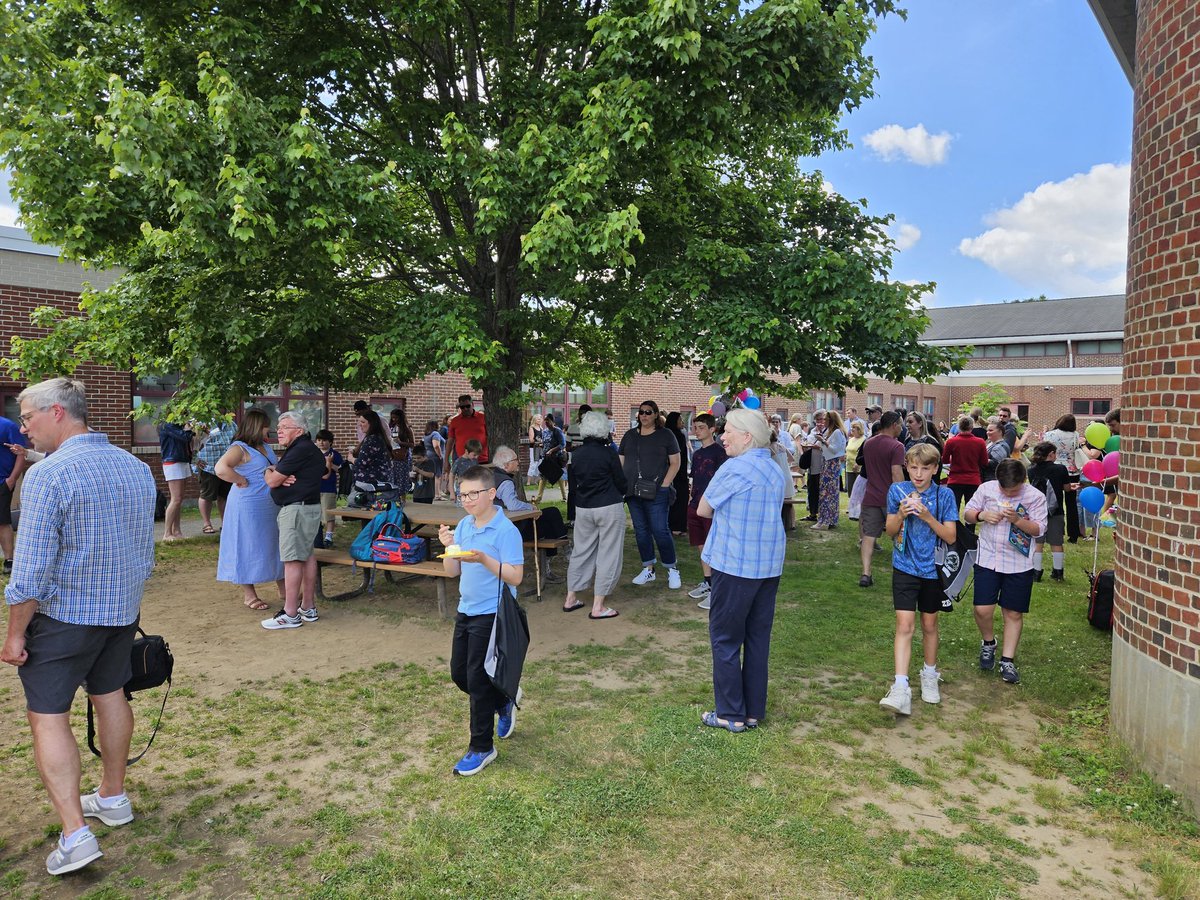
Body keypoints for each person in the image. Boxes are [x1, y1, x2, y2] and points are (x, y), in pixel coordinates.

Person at [2, 377, 156, 876]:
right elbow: (145, 547)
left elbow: (28, 573)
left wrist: (14, 633)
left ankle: (75, 832)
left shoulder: (48, 476)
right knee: (110, 695)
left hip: (64, 618)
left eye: (27, 417)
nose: (24, 428)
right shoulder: (135, 466)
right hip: (121, 612)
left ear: (57, 413)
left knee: (48, 715)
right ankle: (112, 796)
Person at [696, 408, 787, 732]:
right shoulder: (775, 467)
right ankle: (751, 712)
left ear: (747, 436)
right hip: (768, 567)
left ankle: (730, 714)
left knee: (725, 639)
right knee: (757, 639)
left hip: (735, 565)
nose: (722, 436)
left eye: (729, 431)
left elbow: (703, 509)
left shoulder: (734, 468)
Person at [438, 466, 524, 775]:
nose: (467, 500)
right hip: (466, 609)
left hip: (493, 613)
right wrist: (449, 547)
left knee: (476, 679)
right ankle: (501, 699)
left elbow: (516, 576)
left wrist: (484, 559)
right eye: (462, 494)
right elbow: (452, 572)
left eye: (473, 494)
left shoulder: (506, 531)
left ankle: (482, 747)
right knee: (459, 674)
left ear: (491, 494)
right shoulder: (463, 525)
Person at [878, 444, 959, 716]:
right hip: (904, 566)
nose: (919, 474)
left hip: (932, 570)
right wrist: (901, 514)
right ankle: (901, 686)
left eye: (925, 468)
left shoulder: (944, 494)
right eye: (913, 467)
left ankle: (929, 673)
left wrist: (926, 516)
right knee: (904, 624)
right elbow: (889, 531)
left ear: (936, 469)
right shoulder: (896, 491)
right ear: (906, 467)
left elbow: (950, 536)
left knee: (929, 624)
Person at [963, 459, 1048, 685]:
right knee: (982, 609)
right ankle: (988, 643)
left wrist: (1018, 520)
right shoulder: (986, 489)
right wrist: (982, 515)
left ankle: (1007, 660)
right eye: (1005, 490)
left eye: (1014, 490)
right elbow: (967, 513)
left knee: (1013, 613)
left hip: (1019, 563)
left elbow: (1039, 529)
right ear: (997, 481)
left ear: (1023, 481)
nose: (1009, 495)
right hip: (988, 558)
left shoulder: (1035, 497)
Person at [261, 412, 328, 630]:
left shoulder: (300, 449)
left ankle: (290, 613)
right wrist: (273, 470)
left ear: (299, 430)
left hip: (297, 511)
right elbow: (275, 476)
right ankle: (307, 607)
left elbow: (272, 481)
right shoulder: (307, 449)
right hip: (307, 508)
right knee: (307, 556)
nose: (278, 431)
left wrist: (270, 472)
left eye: (284, 427)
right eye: (278, 427)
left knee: (292, 560)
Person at [215, 409, 286, 611]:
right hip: (247, 505)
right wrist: (241, 479)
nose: (269, 429)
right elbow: (221, 468)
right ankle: (249, 594)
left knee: (275, 544)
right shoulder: (240, 448)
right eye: (266, 426)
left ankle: (283, 587)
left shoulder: (264, 446)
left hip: (269, 505)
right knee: (246, 544)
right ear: (256, 426)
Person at [563, 411, 628, 618]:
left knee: (581, 551)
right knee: (609, 553)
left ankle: (571, 597)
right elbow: (620, 480)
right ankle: (598, 606)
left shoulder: (577, 453)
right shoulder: (609, 453)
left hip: (583, 507)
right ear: (604, 428)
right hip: (608, 505)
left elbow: (573, 483)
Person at [619, 399, 682, 589]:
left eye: (648, 412)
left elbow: (675, 463)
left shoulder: (666, 435)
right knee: (641, 531)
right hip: (632, 492)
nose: (644, 415)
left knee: (660, 530)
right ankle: (648, 568)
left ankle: (672, 569)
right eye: (641, 412)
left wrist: (664, 485)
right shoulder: (630, 435)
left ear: (656, 415)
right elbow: (620, 461)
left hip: (657, 492)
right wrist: (622, 484)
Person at [490, 444, 569, 550]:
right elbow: (512, 505)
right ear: (506, 465)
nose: (519, 462)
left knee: (548, 518)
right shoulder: (505, 482)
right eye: (515, 460)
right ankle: (565, 548)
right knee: (552, 514)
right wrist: (531, 507)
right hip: (513, 530)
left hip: (499, 526)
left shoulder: (492, 477)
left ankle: (551, 557)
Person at [858, 411, 905, 588]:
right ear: (894, 425)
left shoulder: (869, 443)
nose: (901, 428)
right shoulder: (897, 446)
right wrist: (902, 498)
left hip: (870, 496)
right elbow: (896, 473)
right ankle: (901, 573)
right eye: (900, 424)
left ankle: (865, 573)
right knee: (899, 537)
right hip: (890, 499)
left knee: (868, 536)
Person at [686, 413, 728, 608]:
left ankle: (718, 589)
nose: (697, 431)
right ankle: (708, 582)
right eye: (695, 427)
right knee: (701, 545)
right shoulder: (697, 454)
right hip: (695, 504)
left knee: (715, 547)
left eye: (701, 427)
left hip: (712, 507)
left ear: (712, 429)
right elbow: (694, 479)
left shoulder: (720, 453)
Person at [1027, 441, 1068, 581]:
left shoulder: (1031, 469)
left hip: (1036, 510)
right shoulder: (1060, 469)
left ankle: (1036, 572)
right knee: (1056, 542)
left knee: (1038, 542)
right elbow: (1066, 488)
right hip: (1055, 510)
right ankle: (1058, 572)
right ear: (1051, 454)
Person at [1043, 414, 1083, 542]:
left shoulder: (1050, 434)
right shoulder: (1075, 435)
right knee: (1072, 504)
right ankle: (1074, 533)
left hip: (1054, 469)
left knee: (1054, 501)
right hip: (1072, 470)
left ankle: (1055, 531)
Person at [192, 419, 235, 534]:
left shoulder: (231, 423)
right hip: (208, 465)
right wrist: (194, 460)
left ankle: (225, 523)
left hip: (227, 466)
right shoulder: (201, 422)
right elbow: (193, 443)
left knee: (225, 496)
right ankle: (207, 524)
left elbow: (236, 441)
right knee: (207, 495)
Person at [942, 414, 988, 513]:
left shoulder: (951, 442)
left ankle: (955, 528)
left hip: (955, 479)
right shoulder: (980, 442)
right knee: (972, 510)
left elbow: (944, 460)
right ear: (972, 427)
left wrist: (953, 460)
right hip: (973, 479)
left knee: (953, 510)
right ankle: (969, 529)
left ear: (958, 427)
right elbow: (984, 462)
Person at [157, 419, 193, 541]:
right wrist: (188, 428)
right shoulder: (167, 425)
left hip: (182, 460)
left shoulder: (178, 425)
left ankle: (177, 531)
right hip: (173, 461)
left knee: (179, 499)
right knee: (176, 498)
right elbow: (185, 437)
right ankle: (167, 533)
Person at [0, 412, 27, 574]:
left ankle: (9, 560)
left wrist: (12, 479)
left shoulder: (7, 425)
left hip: (2, 482)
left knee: (2, 521)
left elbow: (21, 453)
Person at [812, 409, 847, 529]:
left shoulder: (837, 432)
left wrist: (823, 441)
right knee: (827, 492)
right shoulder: (831, 431)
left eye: (826, 419)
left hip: (832, 464)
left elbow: (835, 449)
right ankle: (826, 519)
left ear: (831, 420)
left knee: (828, 493)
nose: (824, 421)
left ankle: (826, 520)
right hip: (828, 463)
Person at [349, 409, 393, 487]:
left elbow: (362, 463)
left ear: (372, 423)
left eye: (363, 422)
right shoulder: (378, 437)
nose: (360, 425)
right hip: (378, 482)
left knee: (352, 499)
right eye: (359, 422)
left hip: (371, 485)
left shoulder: (372, 439)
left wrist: (351, 458)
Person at [315, 429, 344, 547]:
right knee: (316, 513)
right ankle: (317, 536)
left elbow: (340, 470)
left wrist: (330, 463)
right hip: (315, 488)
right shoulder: (314, 453)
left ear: (330, 442)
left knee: (329, 513)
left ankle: (328, 536)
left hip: (329, 488)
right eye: (319, 440)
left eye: (324, 440)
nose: (321, 443)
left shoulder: (335, 454)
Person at [665, 412, 691, 535]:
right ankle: (677, 526)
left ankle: (670, 524)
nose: (682, 422)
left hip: (668, 472)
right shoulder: (678, 436)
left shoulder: (666, 435)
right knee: (680, 498)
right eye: (680, 419)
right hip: (679, 474)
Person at [799, 410, 827, 520]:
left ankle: (823, 514)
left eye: (822, 419)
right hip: (812, 465)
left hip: (824, 466)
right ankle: (812, 513)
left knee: (822, 491)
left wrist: (819, 446)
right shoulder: (812, 431)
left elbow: (831, 448)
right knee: (812, 490)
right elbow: (808, 444)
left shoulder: (829, 432)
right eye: (818, 420)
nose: (820, 422)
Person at [448, 394, 488, 463]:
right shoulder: (455, 421)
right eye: (462, 407)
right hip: (462, 460)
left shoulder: (483, 418)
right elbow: (450, 441)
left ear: (472, 404)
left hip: (482, 459)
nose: (465, 409)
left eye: (467, 406)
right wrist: (446, 461)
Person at [388, 407, 416, 498]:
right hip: (393, 454)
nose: (394, 420)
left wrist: (401, 442)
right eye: (393, 418)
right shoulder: (391, 427)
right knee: (393, 477)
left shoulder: (407, 428)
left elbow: (412, 444)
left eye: (396, 418)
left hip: (403, 455)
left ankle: (402, 497)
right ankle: (394, 497)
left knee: (402, 477)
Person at [422, 420, 447, 500]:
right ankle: (437, 495)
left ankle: (435, 493)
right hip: (435, 456)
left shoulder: (426, 435)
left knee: (433, 476)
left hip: (428, 455)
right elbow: (436, 446)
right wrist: (440, 455)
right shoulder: (435, 434)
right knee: (438, 476)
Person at [453, 439, 483, 504]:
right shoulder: (458, 462)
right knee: (461, 509)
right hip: (461, 491)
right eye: (474, 455)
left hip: (473, 489)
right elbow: (451, 475)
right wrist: (452, 492)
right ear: (466, 451)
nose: (476, 457)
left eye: (477, 455)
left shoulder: (474, 460)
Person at [844, 420, 866, 503]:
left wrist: (857, 464)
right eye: (851, 427)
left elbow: (863, 453)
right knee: (850, 488)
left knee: (859, 489)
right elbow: (848, 450)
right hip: (849, 466)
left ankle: (859, 507)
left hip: (858, 467)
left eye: (854, 427)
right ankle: (851, 506)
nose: (852, 429)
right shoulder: (851, 439)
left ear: (859, 429)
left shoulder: (864, 440)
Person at [526, 413, 544, 486]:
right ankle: (528, 481)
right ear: (534, 420)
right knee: (533, 464)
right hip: (533, 448)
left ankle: (536, 481)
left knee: (539, 463)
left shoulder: (541, 428)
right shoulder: (532, 428)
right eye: (538, 419)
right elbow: (531, 440)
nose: (540, 420)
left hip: (540, 448)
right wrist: (539, 441)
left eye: (540, 419)